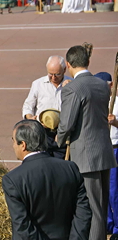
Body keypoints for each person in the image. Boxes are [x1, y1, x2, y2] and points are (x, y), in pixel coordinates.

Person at [57, 45, 117, 240]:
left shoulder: (73, 88)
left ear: (68, 64)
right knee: (100, 205)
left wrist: (58, 140)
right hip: (104, 151)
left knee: (89, 206)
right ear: (88, 62)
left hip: (85, 154)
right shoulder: (101, 85)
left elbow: (66, 124)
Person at [3, 119, 92, 239]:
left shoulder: (13, 179)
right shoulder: (70, 168)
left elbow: (23, 227)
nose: (13, 146)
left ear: (23, 145)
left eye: (13, 141)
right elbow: (83, 212)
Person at [22, 55, 72, 158]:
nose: (53, 77)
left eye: (57, 74)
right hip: (42, 133)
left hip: (62, 133)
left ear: (64, 70)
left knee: (60, 165)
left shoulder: (71, 84)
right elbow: (28, 105)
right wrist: (30, 118)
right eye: (50, 74)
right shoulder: (38, 84)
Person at [95, 72, 118, 238]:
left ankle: (117, 226)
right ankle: (107, 224)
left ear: (110, 85)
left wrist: (115, 121)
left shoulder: (116, 101)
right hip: (99, 148)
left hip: (114, 148)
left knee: (113, 190)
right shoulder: (96, 99)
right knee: (102, 189)